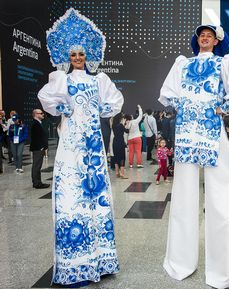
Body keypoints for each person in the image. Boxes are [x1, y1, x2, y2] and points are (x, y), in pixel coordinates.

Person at [159, 24, 229, 288]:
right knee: (184, 197)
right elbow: (168, 93)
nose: (205, 37)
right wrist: (184, 106)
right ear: (197, 39)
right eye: (201, 34)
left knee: (223, 192)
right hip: (187, 132)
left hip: (213, 132)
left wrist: (221, 107)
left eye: (209, 34)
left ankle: (226, 266)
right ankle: (181, 261)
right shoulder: (183, 64)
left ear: (217, 40)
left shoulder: (225, 63)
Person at [37, 8, 123, 285]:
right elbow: (50, 102)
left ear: (88, 55)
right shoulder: (60, 79)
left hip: (94, 147)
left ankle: (100, 259)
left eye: (81, 53)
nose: (77, 58)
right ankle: (76, 263)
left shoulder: (99, 80)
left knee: (96, 198)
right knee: (71, 198)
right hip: (71, 146)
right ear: (67, 56)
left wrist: (98, 108)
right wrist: (63, 105)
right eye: (73, 54)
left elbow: (114, 103)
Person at [30, 109, 50, 188]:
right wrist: (41, 147)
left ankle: (37, 182)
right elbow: (35, 137)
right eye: (41, 113)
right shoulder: (35, 124)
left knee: (37, 166)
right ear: (36, 114)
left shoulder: (38, 123)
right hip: (38, 148)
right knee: (36, 166)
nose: (43, 115)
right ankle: (37, 183)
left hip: (39, 148)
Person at [112, 112, 129, 179]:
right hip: (120, 142)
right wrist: (126, 124)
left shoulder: (113, 125)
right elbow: (127, 131)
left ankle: (117, 173)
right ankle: (122, 173)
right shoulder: (121, 125)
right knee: (122, 157)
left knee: (116, 157)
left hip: (115, 142)